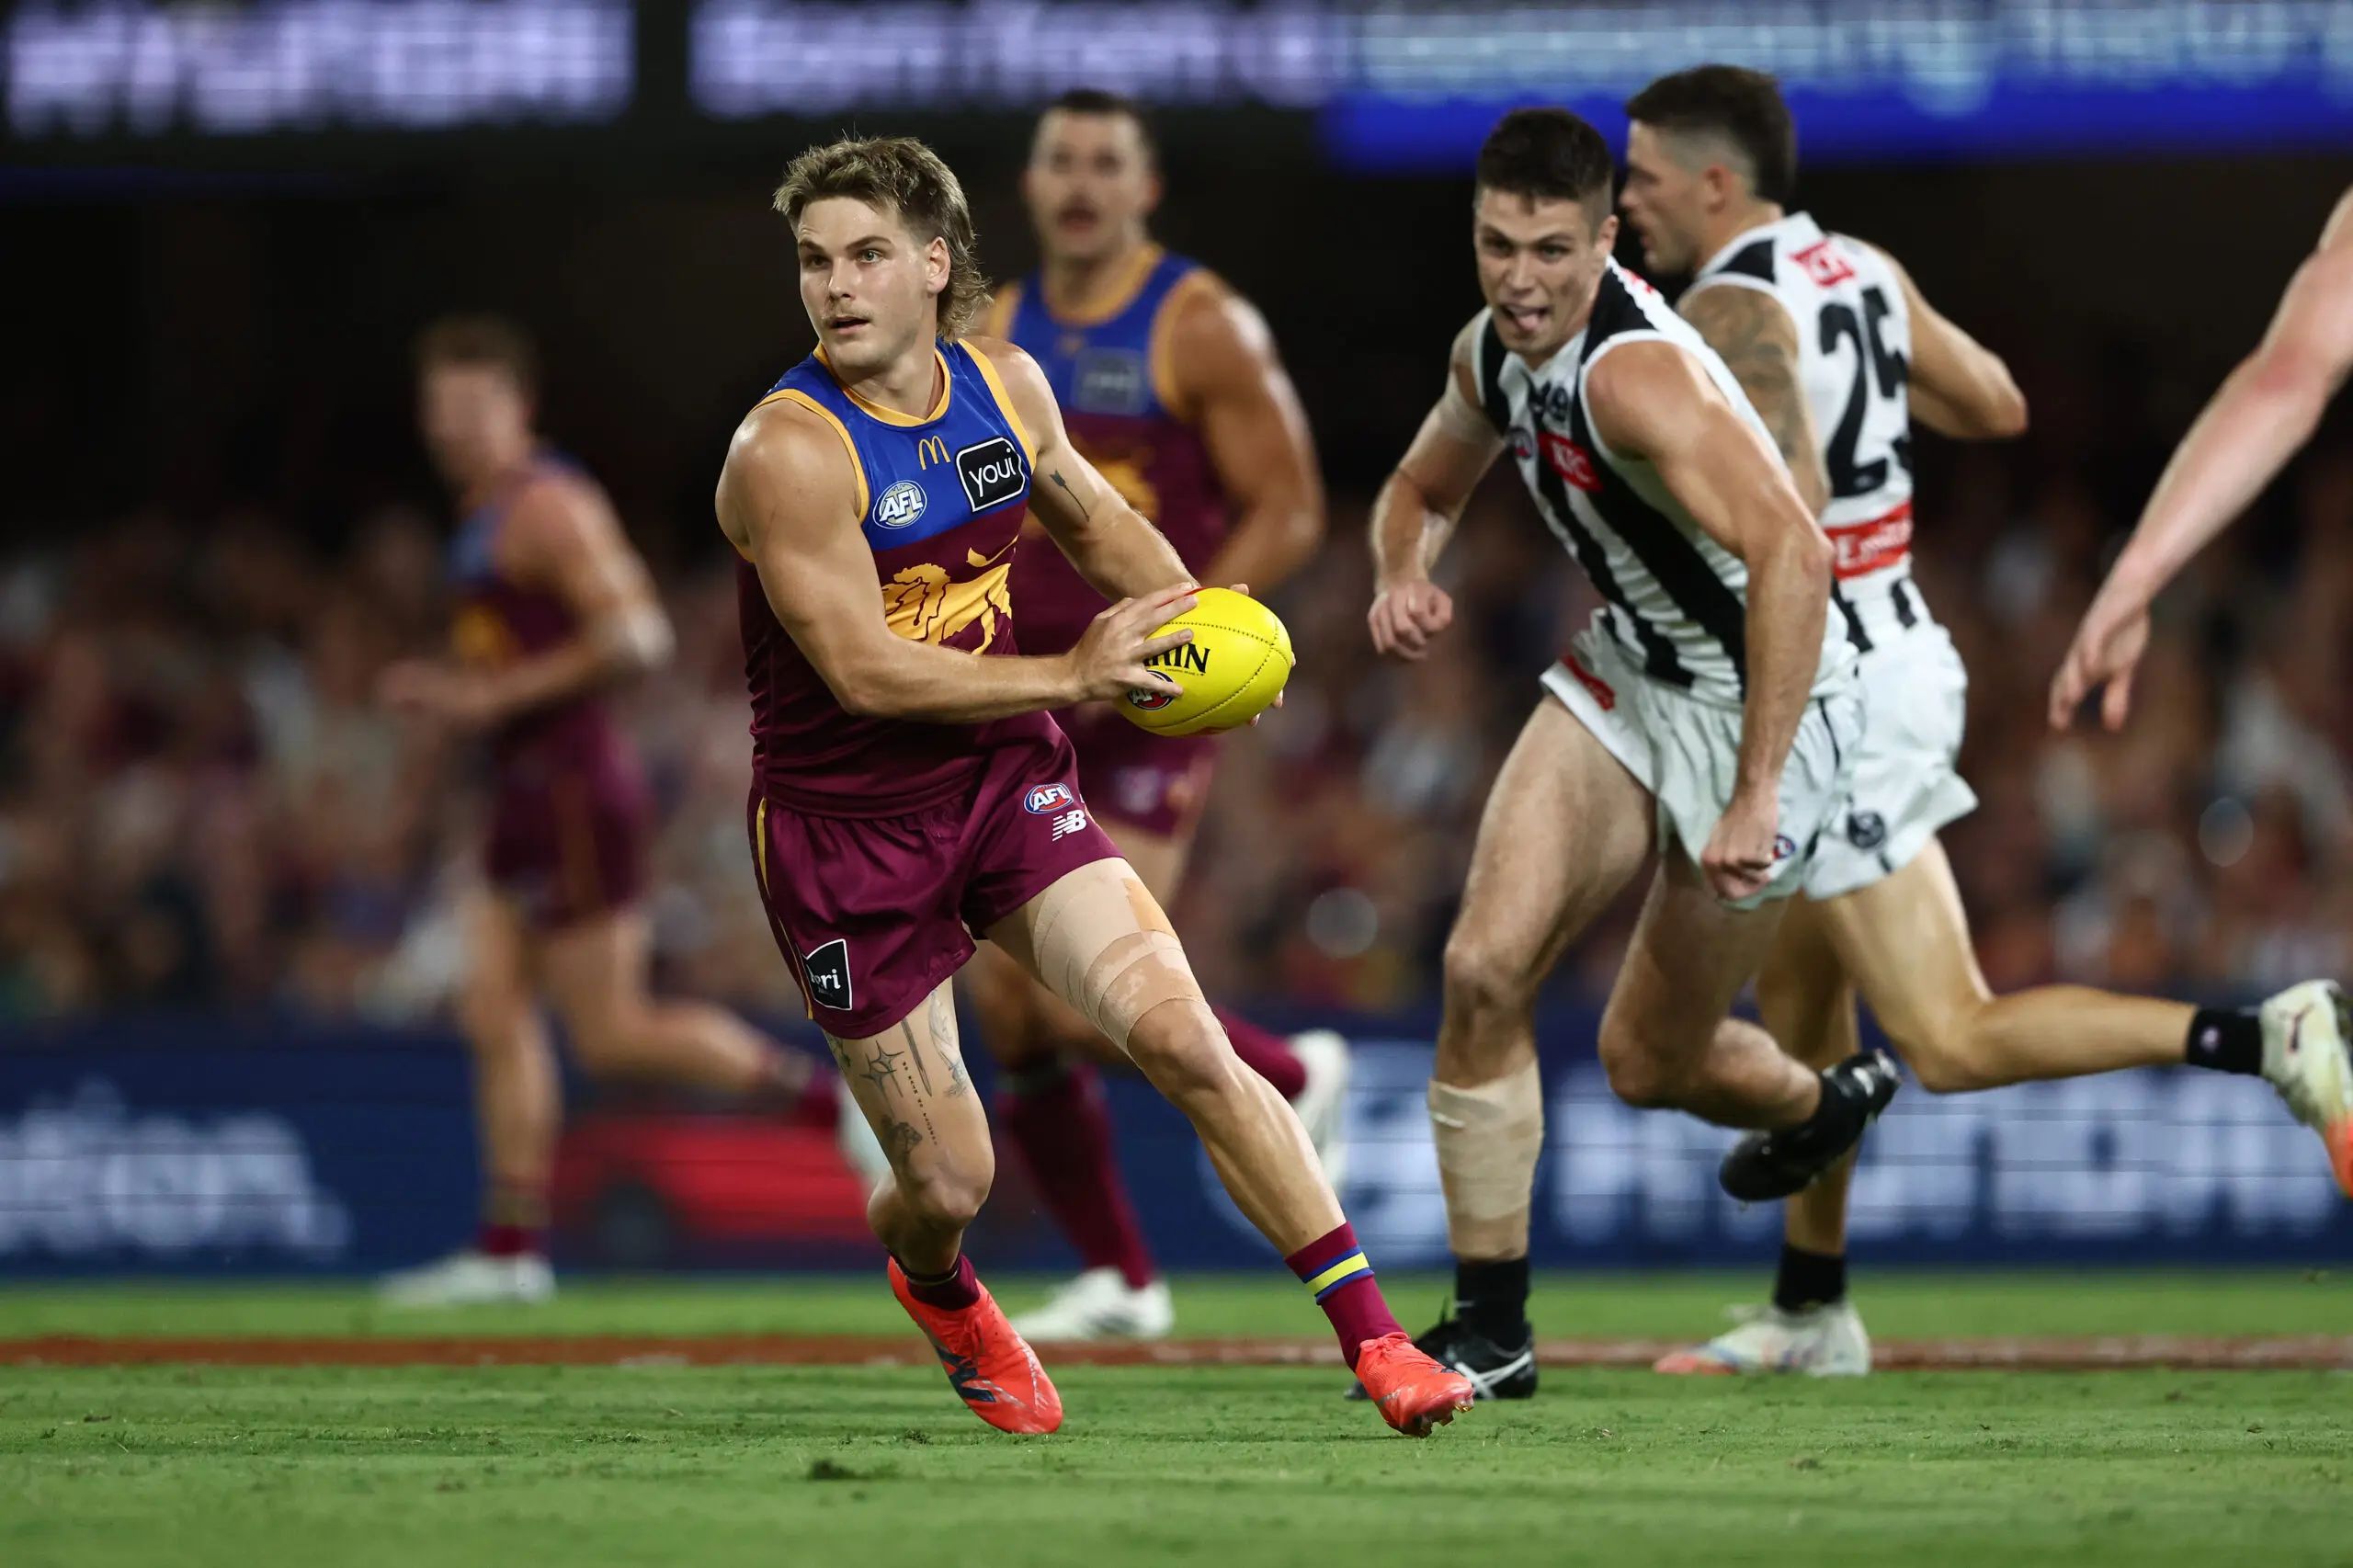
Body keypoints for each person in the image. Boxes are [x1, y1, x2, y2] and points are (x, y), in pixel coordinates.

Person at [713, 133, 1472, 1437]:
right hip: (849, 840)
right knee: (950, 1177)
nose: (835, 286)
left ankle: (1382, 1343)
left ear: (935, 265)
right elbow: (862, 674)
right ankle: (939, 1285)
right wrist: (1079, 673)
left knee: (1180, 1032)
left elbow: (1092, 519)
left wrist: (1198, 628)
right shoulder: (786, 451)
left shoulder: (1004, 387)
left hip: (1005, 788)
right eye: (814, 261)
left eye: (867, 256)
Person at [1609, 66, 2353, 1380]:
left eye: (1643, 177)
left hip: (1832, 675)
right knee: (1801, 986)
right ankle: (1810, 1301)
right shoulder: (1860, 269)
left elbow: (1780, 516)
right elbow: (1997, 404)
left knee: (1944, 1032)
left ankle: (2268, 1036)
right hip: (1903, 640)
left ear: (1715, 183)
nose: (1627, 202)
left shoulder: (1723, 307)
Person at [1359, 106, 1899, 1404]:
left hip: (1765, 706)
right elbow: (1421, 488)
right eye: (1499, 246)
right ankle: (1493, 1328)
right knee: (1482, 967)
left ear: (1608, 242)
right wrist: (1396, 573)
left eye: (1553, 249)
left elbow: (1794, 553)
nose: (1523, 279)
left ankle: (1819, 1104)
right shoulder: (1491, 352)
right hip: (1631, 671)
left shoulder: (1633, 375)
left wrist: (1759, 785)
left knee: (1647, 1062)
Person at [965, 87, 1347, 1343]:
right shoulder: (995, 333)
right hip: (1041, 684)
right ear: (1029, 184)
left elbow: (1290, 504)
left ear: (1146, 188)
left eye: (1103, 163)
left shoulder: (1200, 324)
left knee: (1088, 993)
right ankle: (1127, 1272)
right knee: (1015, 1005)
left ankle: (1281, 1087)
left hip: (1152, 705)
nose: (1079, 182)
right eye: (1058, 158)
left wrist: (1200, 632)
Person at [378, 317, 836, 1308]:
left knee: (615, 1032)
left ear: (518, 406)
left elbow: (637, 633)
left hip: (577, 789)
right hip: (522, 792)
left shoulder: (548, 504)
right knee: (491, 1007)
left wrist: (488, 698)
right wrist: (461, 694)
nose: (453, 426)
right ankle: (510, 1245)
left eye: (473, 406)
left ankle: (828, 1101)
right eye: (440, 408)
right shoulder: (486, 510)